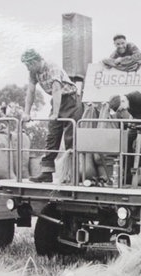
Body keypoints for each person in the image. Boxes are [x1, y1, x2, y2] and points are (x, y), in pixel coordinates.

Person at [21, 49, 83, 183]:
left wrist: (55, 113)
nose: (27, 69)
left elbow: (56, 90)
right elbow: (30, 91)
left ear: (36, 61)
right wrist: (26, 112)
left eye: (28, 65)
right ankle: (47, 173)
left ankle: (72, 175)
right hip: (57, 102)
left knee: (70, 139)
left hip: (70, 100)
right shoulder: (33, 73)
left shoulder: (52, 67)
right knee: (52, 137)